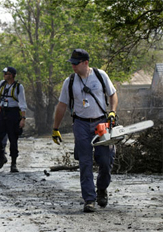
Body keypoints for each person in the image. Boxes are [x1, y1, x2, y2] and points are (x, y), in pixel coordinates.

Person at [52, 48, 118, 213]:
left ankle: (101, 189)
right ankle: (89, 199)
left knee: (105, 159)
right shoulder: (70, 81)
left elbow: (113, 94)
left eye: (76, 63)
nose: (73, 66)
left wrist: (112, 111)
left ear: (85, 63)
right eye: (72, 63)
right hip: (80, 124)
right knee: (85, 163)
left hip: (101, 123)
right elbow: (62, 105)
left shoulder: (100, 75)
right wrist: (55, 128)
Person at [0, 67, 27, 173]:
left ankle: (13, 163)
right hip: (1, 113)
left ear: (12, 75)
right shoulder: (2, 84)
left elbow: (22, 104)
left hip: (13, 114)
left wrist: (23, 118)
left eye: (7, 73)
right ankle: (1, 157)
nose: (5, 75)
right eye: (4, 73)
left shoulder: (19, 87)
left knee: (13, 138)